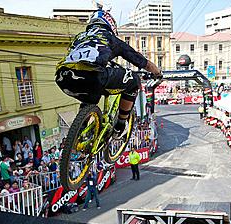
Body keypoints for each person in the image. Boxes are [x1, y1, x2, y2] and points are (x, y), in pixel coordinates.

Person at [55, 8, 162, 138]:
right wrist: (157, 73)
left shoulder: (79, 37)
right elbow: (142, 62)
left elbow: (82, 58)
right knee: (134, 80)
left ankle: (77, 134)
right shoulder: (110, 38)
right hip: (92, 76)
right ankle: (120, 126)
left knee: (89, 96)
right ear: (110, 24)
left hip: (62, 77)